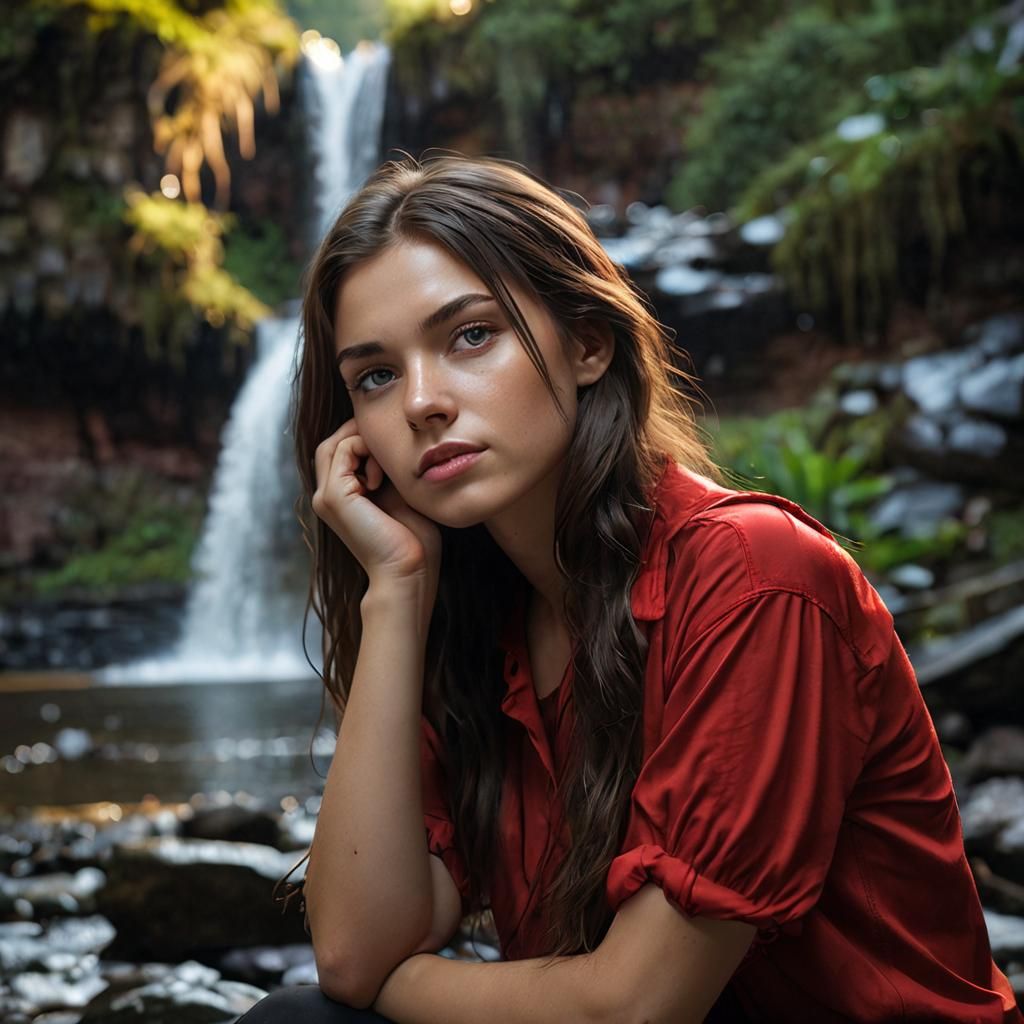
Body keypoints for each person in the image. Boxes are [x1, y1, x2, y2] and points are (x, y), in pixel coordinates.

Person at [237, 153, 1020, 1023]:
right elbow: (350, 954)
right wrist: (393, 590)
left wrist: (404, 984)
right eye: (376, 375)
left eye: (470, 336)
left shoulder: (756, 579)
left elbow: (636, 1008)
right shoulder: (471, 624)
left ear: (588, 343)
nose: (422, 402)